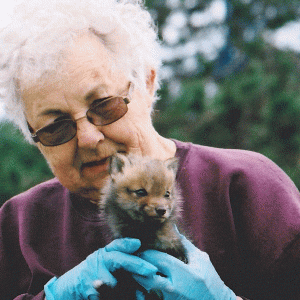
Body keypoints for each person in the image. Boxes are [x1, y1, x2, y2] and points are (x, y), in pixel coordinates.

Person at [0, 0, 299, 299]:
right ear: (33, 136)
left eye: (104, 105)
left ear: (147, 84)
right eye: (55, 127)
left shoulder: (247, 189)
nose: (88, 138)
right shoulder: (18, 227)